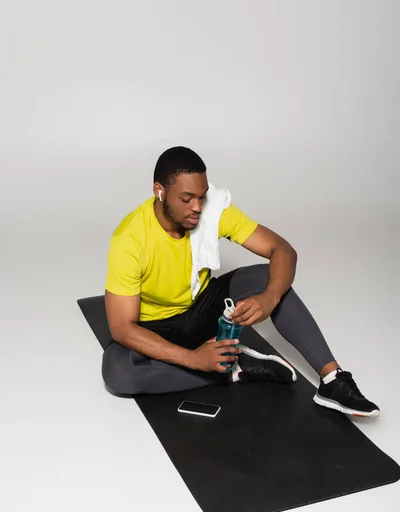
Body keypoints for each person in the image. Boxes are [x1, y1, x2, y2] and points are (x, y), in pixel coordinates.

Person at [102, 146, 380, 418]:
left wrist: (270, 296)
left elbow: (282, 250)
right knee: (118, 372)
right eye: (186, 199)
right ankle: (235, 369)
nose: (197, 207)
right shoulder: (129, 239)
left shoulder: (211, 212)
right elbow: (122, 328)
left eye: (201, 196)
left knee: (267, 276)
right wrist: (193, 360)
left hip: (200, 311)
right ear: (159, 191)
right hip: (156, 328)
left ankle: (332, 379)